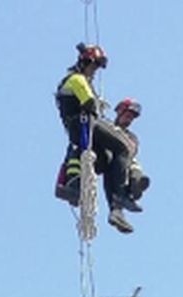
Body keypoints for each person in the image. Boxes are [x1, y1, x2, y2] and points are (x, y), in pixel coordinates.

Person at [54, 43, 135, 234]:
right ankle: (119, 201)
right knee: (124, 147)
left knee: (107, 161)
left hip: (78, 128)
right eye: (94, 66)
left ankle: (116, 211)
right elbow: (89, 104)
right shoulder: (77, 79)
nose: (94, 71)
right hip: (85, 123)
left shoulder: (73, 80)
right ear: (84, 63)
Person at [110, 98, 150, 213]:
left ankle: (135, 184)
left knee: (134, 166)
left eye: (131, 118)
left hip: (125, 161)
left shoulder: (131, 136)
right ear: (119, 113)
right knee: (125, 165)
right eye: (127, 116)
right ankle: (131, 188)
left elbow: (132, 149)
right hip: (110, 157)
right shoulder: (107, 127)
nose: (129, 120)